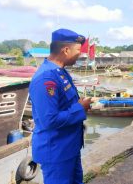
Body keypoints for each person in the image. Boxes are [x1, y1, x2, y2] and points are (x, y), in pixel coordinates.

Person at [29, 28, 92, 184]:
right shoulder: (46, 78)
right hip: (56, 151)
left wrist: (78, 104)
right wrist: (80, 108)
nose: (80, 54)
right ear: (65, 50)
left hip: (69, 146)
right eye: (78, 50)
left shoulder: (60, 72)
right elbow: (49, 120)